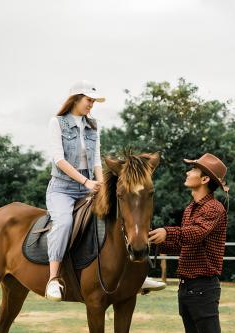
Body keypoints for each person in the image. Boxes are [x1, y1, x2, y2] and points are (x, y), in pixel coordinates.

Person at [45, 80, 166, 302]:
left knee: (125, 215)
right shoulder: (57, 123)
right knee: (63, 223)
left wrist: (100, 185)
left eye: (93, 101)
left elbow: (97, 160)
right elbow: (59, 159)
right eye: (89, 100)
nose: (92, 105)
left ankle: (138, 274)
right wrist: (86, 182)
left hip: (89, 186)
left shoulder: (93, 125)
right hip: (62, 189)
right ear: (75, 99)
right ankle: (53, 279)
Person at [149, 153, 229, 333]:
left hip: (203, 288)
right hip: (186, 287)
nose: (188, 173)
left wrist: (166, 232)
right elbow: (183, 244)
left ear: (205, 179)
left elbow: (195, 233)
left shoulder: (214, 208)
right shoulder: (190, 209)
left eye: (193, 169)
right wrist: (153, 242)